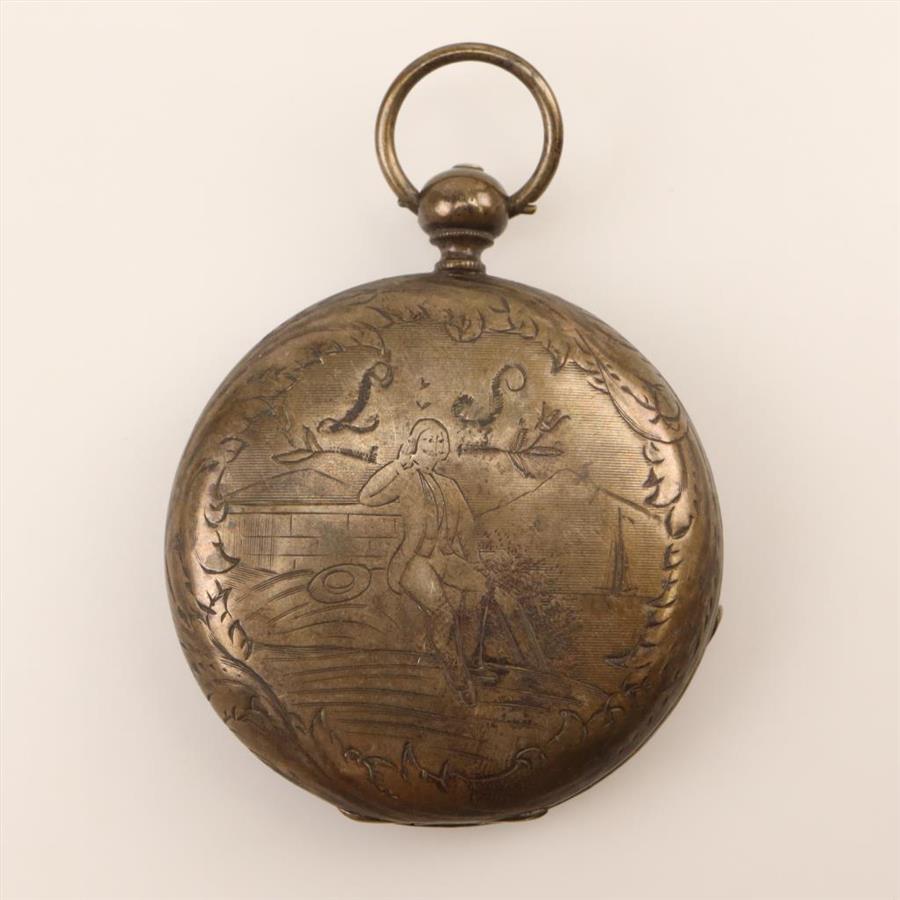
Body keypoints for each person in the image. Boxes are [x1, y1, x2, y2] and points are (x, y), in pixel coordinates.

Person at [359, 418, 546, 704]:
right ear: (415, 443)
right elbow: (366, 497)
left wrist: (477, 566)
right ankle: (459, 681)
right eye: (427, 439)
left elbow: (467, 530)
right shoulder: (406, 478)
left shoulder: (449, 486)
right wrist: (398, 463)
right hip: (415, 561)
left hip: (445, 557)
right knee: (443, 613)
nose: (434, 444)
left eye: (439, 439)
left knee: (483, 593)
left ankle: (473, 663)